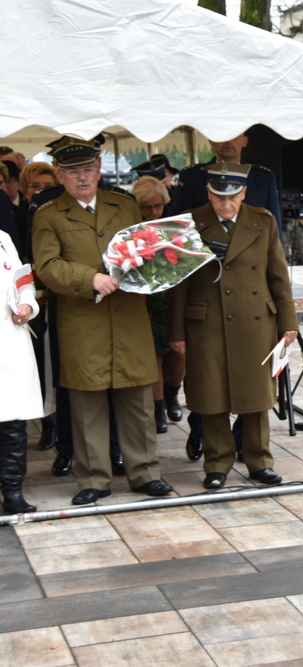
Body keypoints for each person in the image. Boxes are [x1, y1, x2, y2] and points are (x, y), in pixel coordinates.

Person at [32, 136, 173, 505]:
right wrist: (88, 278)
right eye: (73, 171)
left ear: (98, 170)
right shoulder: (48, 215)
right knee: (86, 403)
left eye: (88, 170)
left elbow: (143, 249)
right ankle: (93, 478)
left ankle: (145, 474)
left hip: (127, 317)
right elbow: (46, 266)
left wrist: (153, 267)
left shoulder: (125, 206)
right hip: (84, 321)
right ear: (60, 175)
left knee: (138, 399)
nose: (82, 177)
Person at [167, 163, 297, 489]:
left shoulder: (262, 221)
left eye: (233, 197)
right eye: (218, 197)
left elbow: (278, 276)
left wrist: (288, 322)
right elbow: (178, 282)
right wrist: (177, 331)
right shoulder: (191, 224)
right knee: (211, 397)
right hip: (206, 321)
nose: (226, 205)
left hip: (256, 320)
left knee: (256, 397)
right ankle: (217, 464)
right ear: (209, 193)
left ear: (244, 193)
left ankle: (258, 461)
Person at [132, 176, 185, 431]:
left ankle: (173, 395)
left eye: (158, 206)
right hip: (144, 303)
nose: (153, 212)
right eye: (147, 207)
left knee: (177, 355)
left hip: (173, 300)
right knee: (153, 358)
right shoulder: (129, 231)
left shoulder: (175, 227)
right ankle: (158, 408)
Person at [1, 227, 43, 514]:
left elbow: (22, 282)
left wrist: (27, 305)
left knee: (13, 422)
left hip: (9, 341)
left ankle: (13, 490)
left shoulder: (2, 239)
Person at [172, 133, 282, 228]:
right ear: (211, 140)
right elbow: (179, 225)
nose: (228, 141)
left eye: (234, 135)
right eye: (222, 135)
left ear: (245, 141)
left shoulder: (263, 179)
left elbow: (274, 227)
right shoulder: (192, 177)